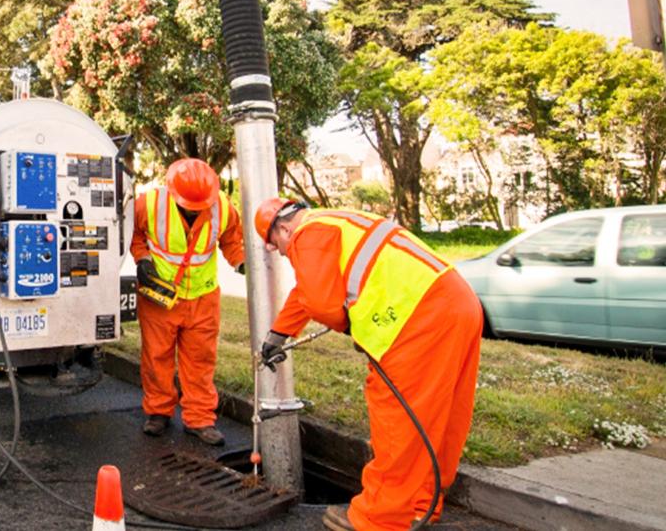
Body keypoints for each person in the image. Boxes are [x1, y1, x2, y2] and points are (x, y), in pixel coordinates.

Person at [253, 198, 482, 531]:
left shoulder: (307, 235)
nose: (286, 254)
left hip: (416, 319)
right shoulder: (339, 221)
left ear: (284, 229)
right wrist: (278, 334)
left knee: (397, 418)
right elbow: (308, 290)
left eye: (280, 247)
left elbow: (320, 302)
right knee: (440, 413)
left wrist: (348, 324)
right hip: (456, 301)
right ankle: (422, 504)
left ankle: (380, 517)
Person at [131, 158, 245, 446]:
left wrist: (241, 261)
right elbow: (132, 234)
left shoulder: (222, 206)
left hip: (203, 296)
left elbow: (232, 239)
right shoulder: (149, 203)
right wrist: (142, 258)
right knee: (157, 357)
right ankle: (158, 411)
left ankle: (200, 419)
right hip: (161, 296)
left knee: (200, 360)